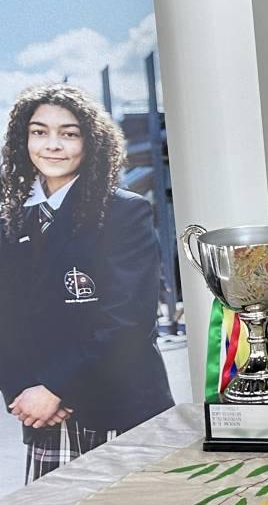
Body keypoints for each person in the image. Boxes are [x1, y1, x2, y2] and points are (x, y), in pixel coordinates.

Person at [0, 84, 172, 482]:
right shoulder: (10, 220)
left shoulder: (123, 212)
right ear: (23, 140)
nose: (53, 145)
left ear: (90, 143)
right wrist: (23, 392)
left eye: (69, 133)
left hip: (119, 407)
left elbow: (128, 321)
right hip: (45, 415)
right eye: (39, 132)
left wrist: (56, 388)